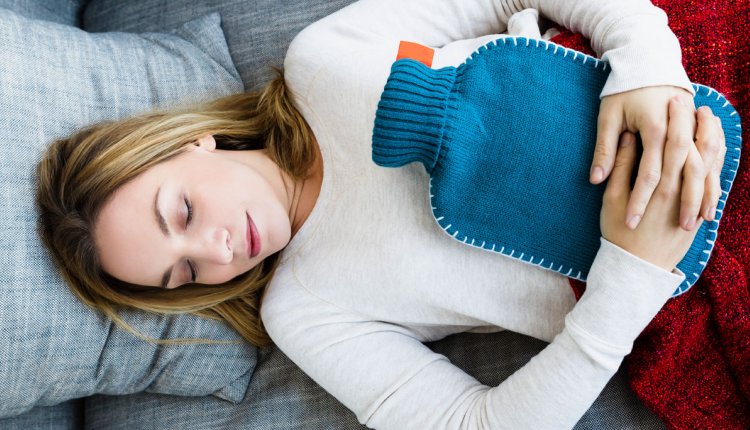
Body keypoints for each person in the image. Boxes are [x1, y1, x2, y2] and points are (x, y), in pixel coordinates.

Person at [36, 0, 730, 428]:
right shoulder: (305, 311)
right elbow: (475, 425)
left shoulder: (322, 63)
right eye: (183, 271)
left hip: (672, 79)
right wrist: (632, 276)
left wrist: (648, 61)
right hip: (678, 286)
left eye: (182, 212)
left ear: (193, 144)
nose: (217, 252)